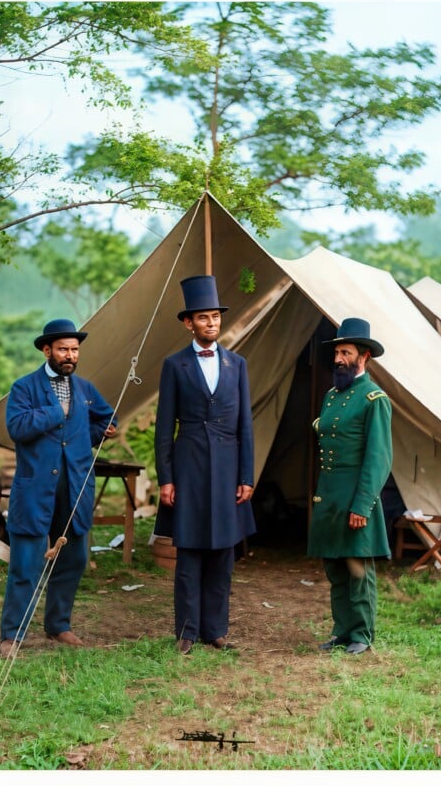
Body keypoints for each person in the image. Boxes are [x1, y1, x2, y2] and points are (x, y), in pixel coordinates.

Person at [0, 318, 117, 658]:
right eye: (63, 349)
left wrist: (99, 433)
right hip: (36, 490)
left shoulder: (86, 389)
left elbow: (106, 418)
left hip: (76, 488)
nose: (70, 355)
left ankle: (58, 625)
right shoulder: (24, 388)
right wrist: (56, 412)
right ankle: (12, 634)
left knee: (73, 559)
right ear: (46, 350)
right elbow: (17, 427)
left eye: (75, 350)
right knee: (26, 562)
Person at [154, 275, 256, 655]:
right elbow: (164, 426)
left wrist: (247, 475)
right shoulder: (174, 365)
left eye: (215, 316)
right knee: (191, 552)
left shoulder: (237, 364)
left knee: (223, 554)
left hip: (229, 469)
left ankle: (217, 630)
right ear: (188, 323)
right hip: (189, 467)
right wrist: (166, 477)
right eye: (204, 317)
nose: (211, 323)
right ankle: (187, 630)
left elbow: (246, 423)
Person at [308, 317, 392, 655]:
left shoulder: (374, 399)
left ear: (364, 357)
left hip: (356, 494)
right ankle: (342, 631)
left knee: (358, 569)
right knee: (335, 568)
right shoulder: (332, 395)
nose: (339, 359)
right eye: (337, 352)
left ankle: (362, 634)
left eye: (346, 352)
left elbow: (378, 459)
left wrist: (362, 505)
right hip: (329, 494)